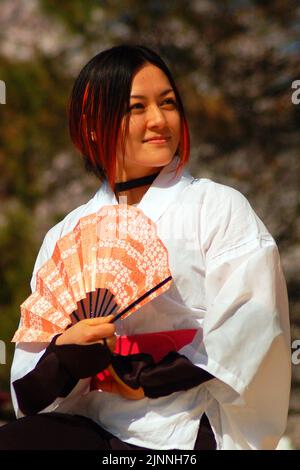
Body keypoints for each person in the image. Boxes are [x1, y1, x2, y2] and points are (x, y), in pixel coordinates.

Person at [0, 44, 291, 450]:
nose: (158, 120)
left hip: (189, 424)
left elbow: (253, 328)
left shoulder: (217, 206)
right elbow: (29, 393)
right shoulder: (63, 235)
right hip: (95, 424)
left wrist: (142, 378)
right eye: (136, 107)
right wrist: (66, 357)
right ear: (92, 125)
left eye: (168, 103)